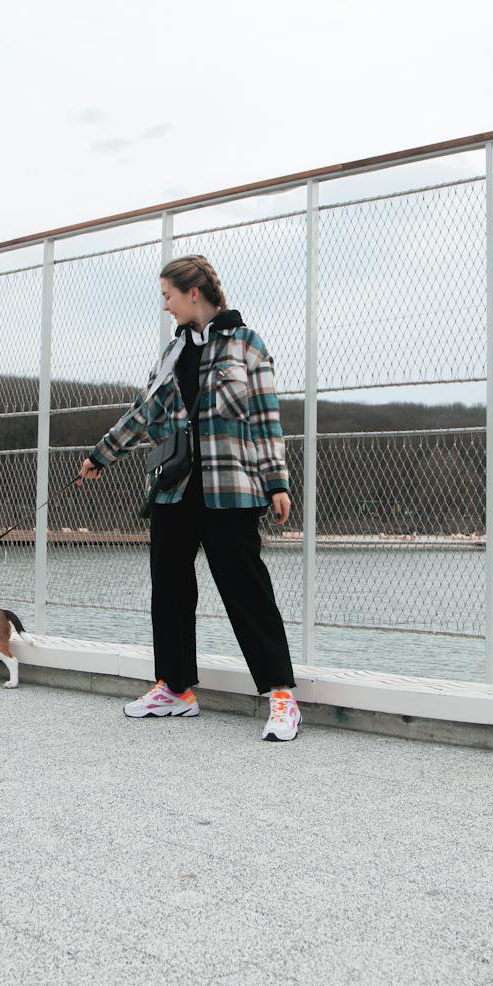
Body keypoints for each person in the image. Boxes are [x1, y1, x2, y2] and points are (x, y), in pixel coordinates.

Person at [78, 255, 301, 742]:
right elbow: (141, 412)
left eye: (168, 296)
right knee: (170, 588)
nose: (165, 306)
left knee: (247, 592)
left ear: (193, 293)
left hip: (232, 489)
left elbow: (266, 419)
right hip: (175, 488)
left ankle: (282, 696)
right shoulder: (171, 354)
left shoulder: (247, 344)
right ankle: (176, 688)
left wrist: (277, 481)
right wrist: (102, 454)